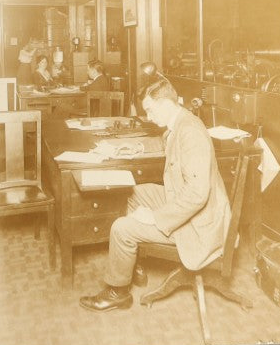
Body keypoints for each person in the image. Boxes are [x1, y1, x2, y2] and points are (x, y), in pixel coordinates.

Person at [79, 78, 231, 312]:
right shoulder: (182, 122)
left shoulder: (190, 132)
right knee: (136, 192)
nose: (148, 117)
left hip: (200, 226)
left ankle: (117, 291)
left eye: (150, 110)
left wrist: (156, 217)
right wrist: (138, 147)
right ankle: (134, 260)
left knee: (122, 227)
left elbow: (197, 195)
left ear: (165, 103)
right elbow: (168, 144)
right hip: (192, 207)